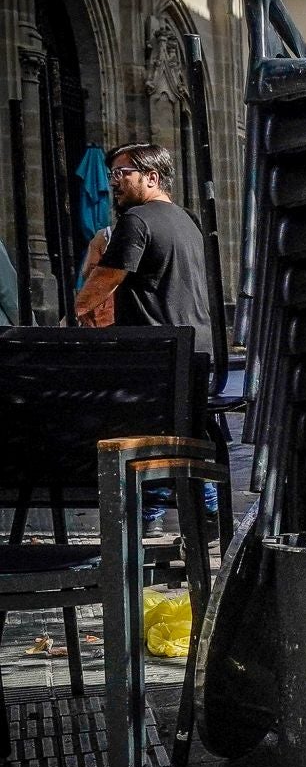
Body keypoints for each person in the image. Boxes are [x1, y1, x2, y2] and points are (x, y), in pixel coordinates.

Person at [74, 142, 218, 535]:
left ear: (151, 177)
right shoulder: (187, 220)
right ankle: (204, 511)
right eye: (112, 174)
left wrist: (81, 310)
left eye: (123, 173)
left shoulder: (137, 220)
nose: (114, 182)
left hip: (155, 353)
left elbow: (107, 276)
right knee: (180, 429)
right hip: (195, 349)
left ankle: (147, 516)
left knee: (131, 427)